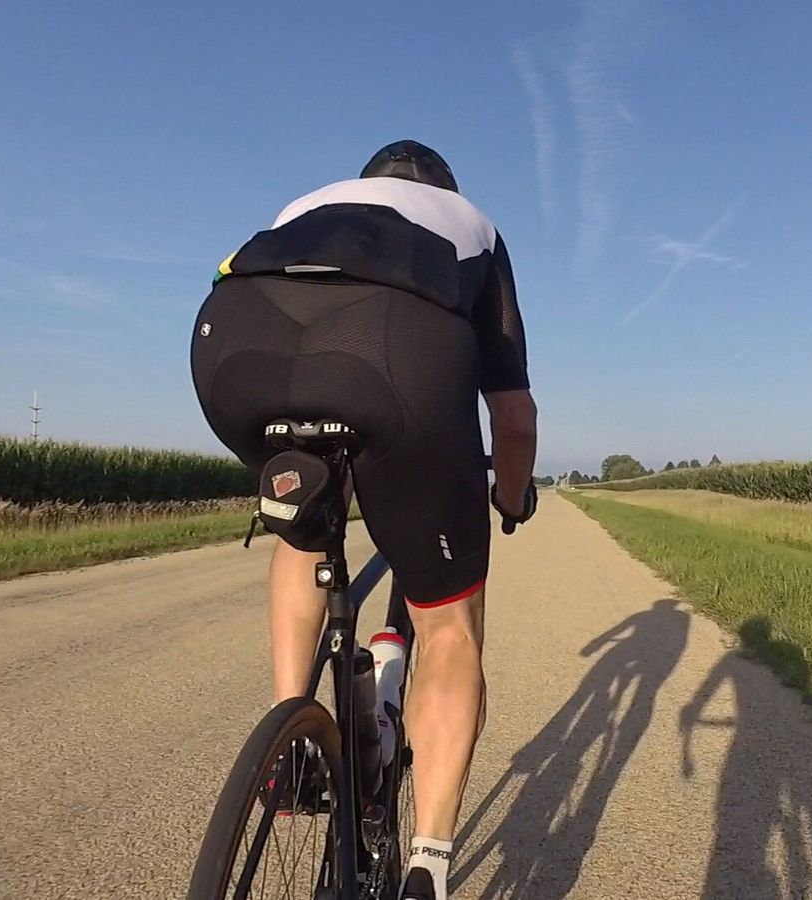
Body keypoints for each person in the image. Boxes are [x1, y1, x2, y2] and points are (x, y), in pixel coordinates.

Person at [189, 139, 538, 900]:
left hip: (233, 345)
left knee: (305, 524)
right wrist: (512, 500)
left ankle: (291, 733)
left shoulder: (308, 205)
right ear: (445, 187)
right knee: (449, 625)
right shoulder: (470, 223)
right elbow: (512, 417)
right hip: (394, 348)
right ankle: (429, 866)